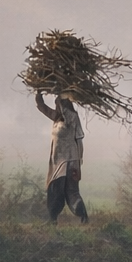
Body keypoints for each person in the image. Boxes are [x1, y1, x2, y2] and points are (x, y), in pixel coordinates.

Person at [36, 91, 88, 224]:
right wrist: (38, 94)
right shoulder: (57, 118)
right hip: (57, 161)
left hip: (70, 161)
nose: (57, 106)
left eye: (59, 104)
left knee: (71, 191)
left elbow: (79, 141)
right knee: (55, 190)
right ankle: (52, 218)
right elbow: (43, 108)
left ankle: (83, 216)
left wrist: (79, 163)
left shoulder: (72, 118)